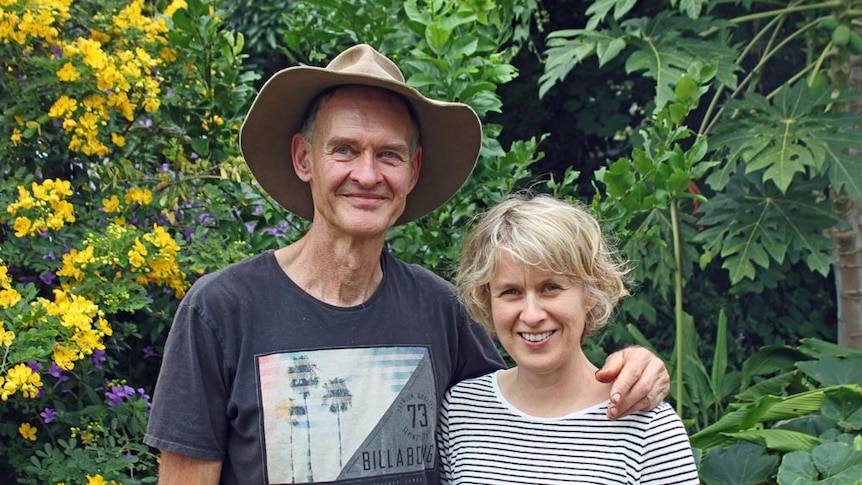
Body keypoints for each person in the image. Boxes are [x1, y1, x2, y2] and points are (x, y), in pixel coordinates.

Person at [144, 44, 671, 485]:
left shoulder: (437, 309)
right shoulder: (222, 311)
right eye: (345, 150)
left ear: (414, 170)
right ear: (304, 158)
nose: (367, 175)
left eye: (390, 154)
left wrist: (632, 366)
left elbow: (531, 394)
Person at [437, 193, 699, 484]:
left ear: (591, 292)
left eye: (550, 287)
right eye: (511, 292)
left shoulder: (647, 425)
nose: (532, 314)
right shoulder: (462, 410)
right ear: (488, 300)